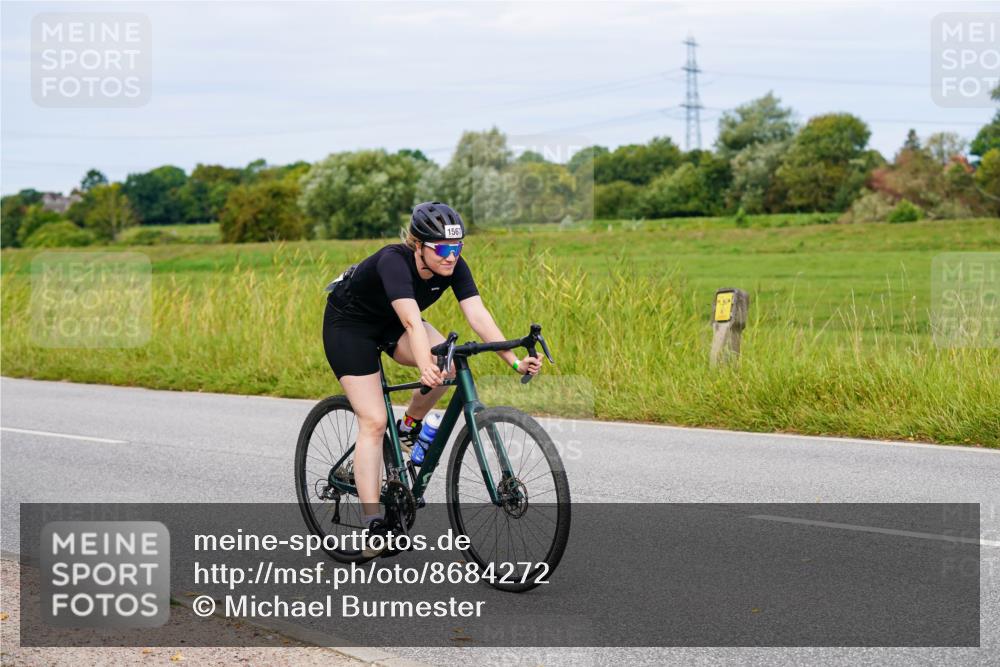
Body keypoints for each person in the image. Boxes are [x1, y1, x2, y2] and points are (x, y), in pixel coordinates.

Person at [322, 201, 541, 555]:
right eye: (442, 248)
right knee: (374, 421)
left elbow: (478, 315)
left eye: (457, 248)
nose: (451, 256)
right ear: (418, 245)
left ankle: (410, 424)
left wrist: (514, 361)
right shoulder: (394, 260)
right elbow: (412, 322)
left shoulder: (452, 265)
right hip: (350, 326)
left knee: (449, 366)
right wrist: (425, 363)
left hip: (392, 323)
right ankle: (373, 524)